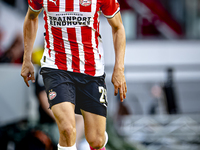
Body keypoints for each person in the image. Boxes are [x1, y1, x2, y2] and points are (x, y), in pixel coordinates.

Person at [21, 0, 127, 150]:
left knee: (96, 140)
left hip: (91, 71)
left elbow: (118, 27)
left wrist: (119, 69)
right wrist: (26, 60)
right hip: (56, 68)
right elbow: (31, 17)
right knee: (67, 129)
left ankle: (99, 138)